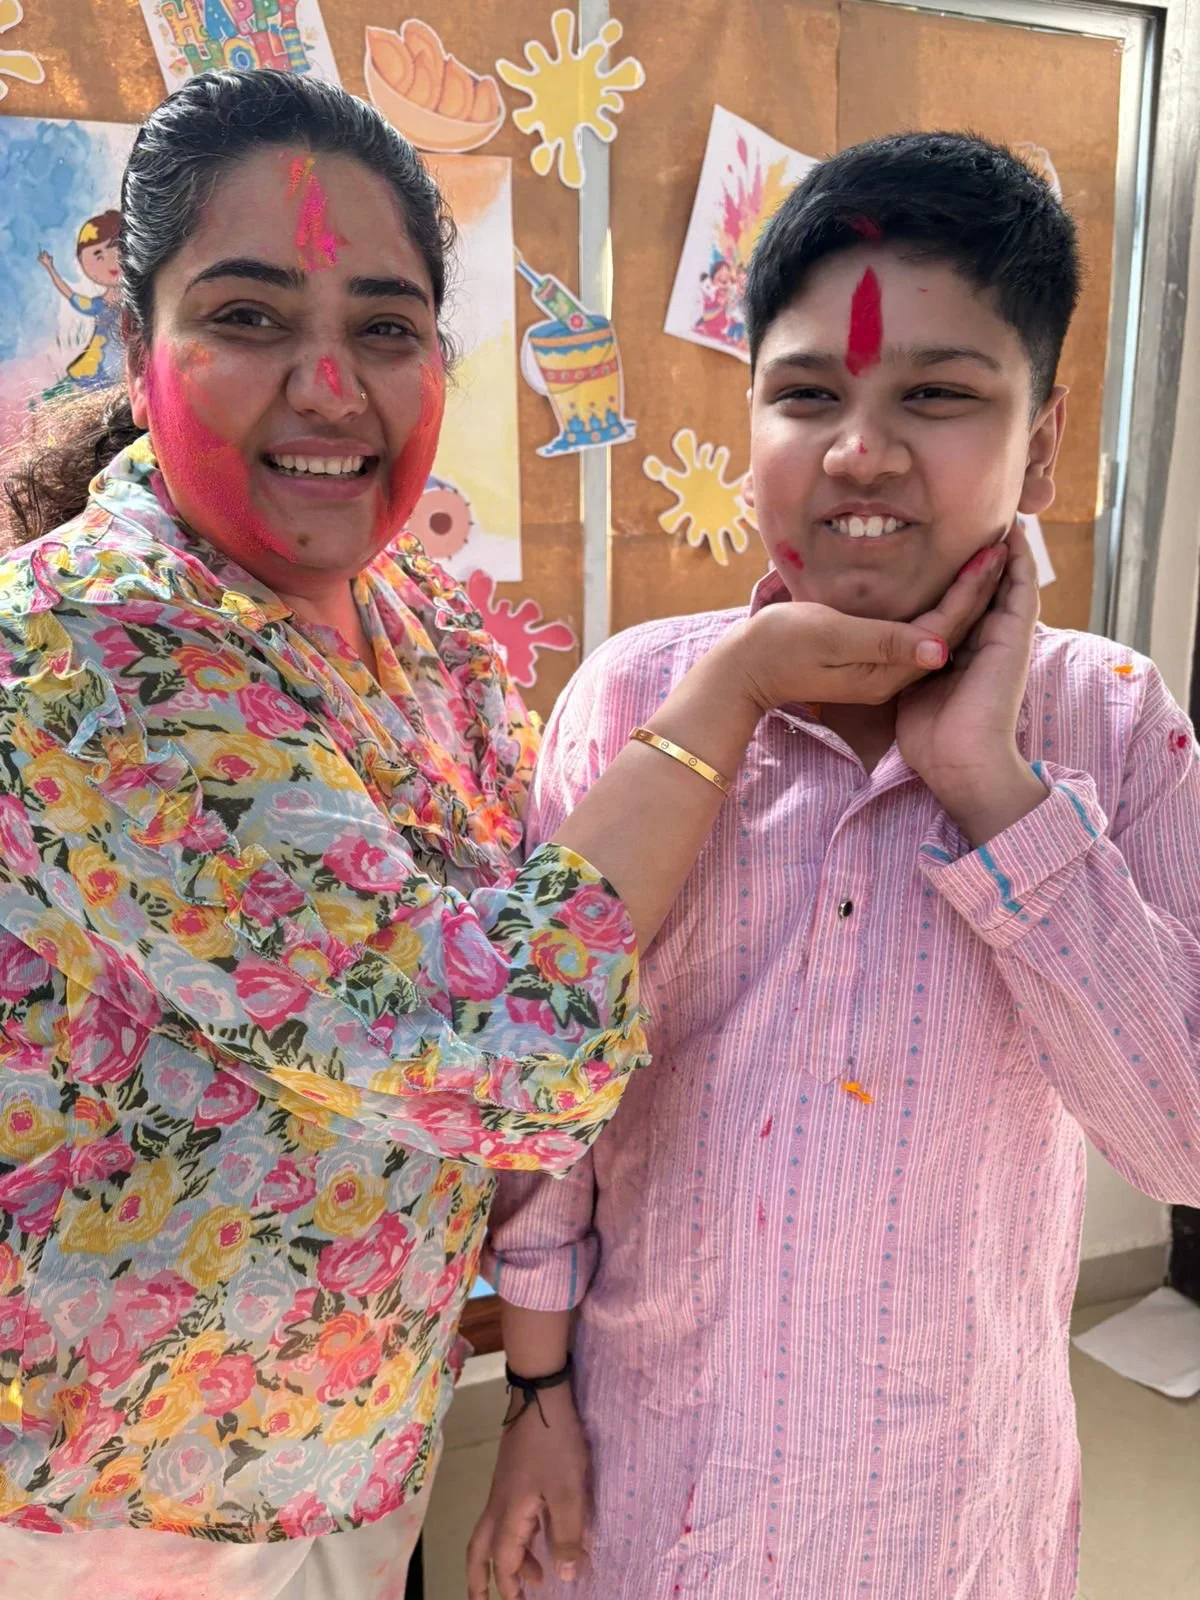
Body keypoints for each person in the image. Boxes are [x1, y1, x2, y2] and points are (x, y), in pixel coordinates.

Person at [0, 76, 999, 1600]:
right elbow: (499, 1047)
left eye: (386, 328)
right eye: (249, 317)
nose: (329, 388)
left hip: (356, 1432)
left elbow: (531, 913)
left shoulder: (413, 622)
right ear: (139, 352)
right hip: (133, 1489)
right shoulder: (87, 650)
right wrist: (728, 692)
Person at [469, 131, 1200, 1600]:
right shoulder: (635, 704)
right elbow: (547, 1103)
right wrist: (535, 1393)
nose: (860, 454)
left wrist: (992, 786)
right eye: (807, 395)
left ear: (1043, 441)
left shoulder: (1114, 722)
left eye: (938, 394)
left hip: (955, 1503)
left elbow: (1181, 1141)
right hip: (663, 1482)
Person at [37, 210, 125, 393]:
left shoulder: (140, 299)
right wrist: (50, 268)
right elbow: (70, 295)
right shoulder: (99, 305)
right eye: (98, 256)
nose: (110, 261)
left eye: (117, 250)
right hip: (98, 364)